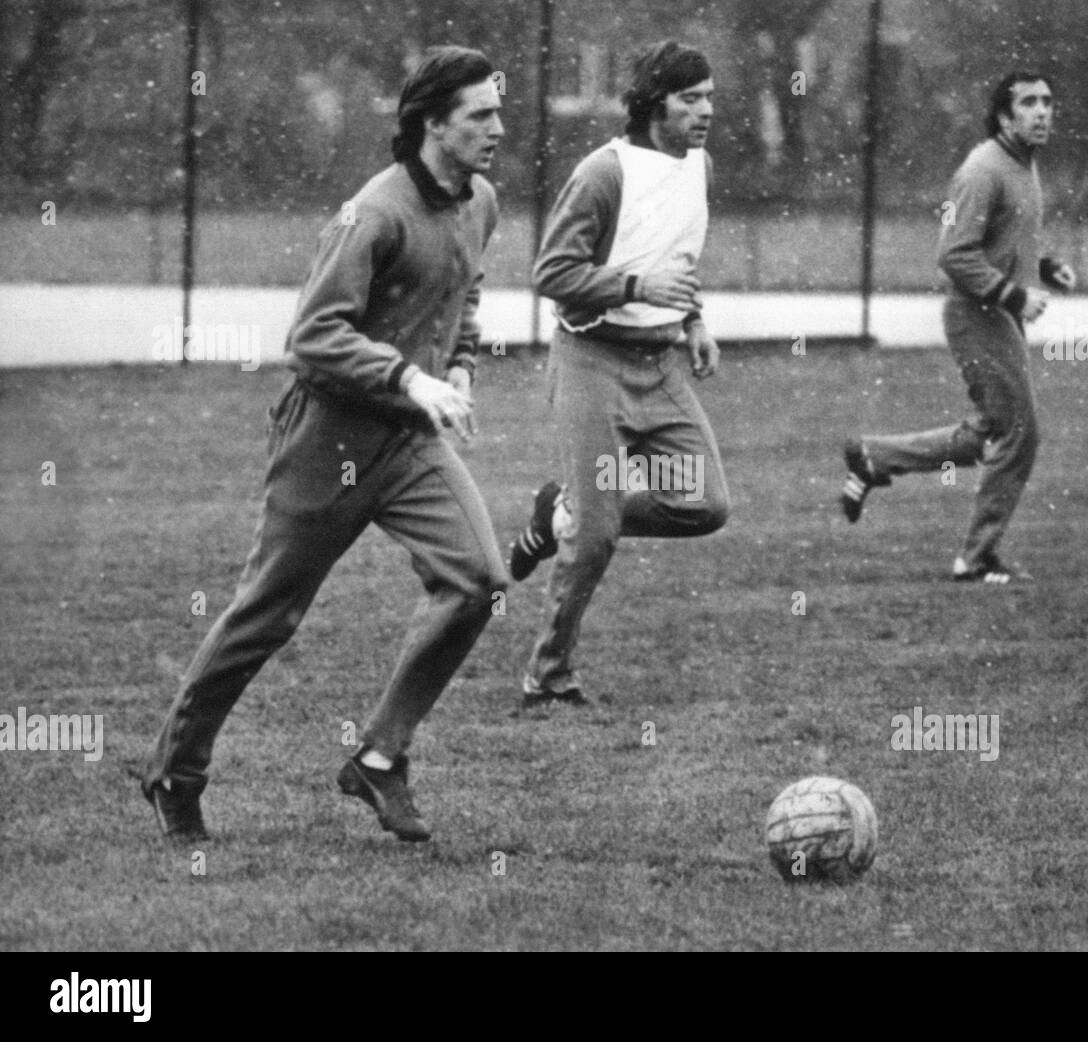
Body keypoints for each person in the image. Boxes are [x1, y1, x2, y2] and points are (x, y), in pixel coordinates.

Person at [139, 46, 509, 843]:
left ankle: (377, 757)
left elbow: (465, 289)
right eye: (480, 114)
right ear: (431, 124)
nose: (497, 128)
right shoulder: (372, 214)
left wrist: (463, 368)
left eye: (498, 111)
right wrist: (409, 379)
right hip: (326, 439)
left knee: (479, 580)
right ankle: (176, 768)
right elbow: (312, 337)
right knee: (266, 615)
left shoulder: (481, 200)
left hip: (410, 444)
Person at [506, 40, 730, 708]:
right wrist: (636, 284)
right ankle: (548, 677)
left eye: (710, 98)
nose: (706, 111)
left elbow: (677, 259)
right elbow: (551, 273)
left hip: (659, 363)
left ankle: (562, 515)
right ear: (653, 103)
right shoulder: (604, 173)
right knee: (598, 536)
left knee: (704, 505)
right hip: (592, 360)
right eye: (691, 99)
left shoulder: (699, 167)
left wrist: (692, 321)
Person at [839, 71, 1075, 584]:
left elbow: (1008, 242)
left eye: (1048, 102)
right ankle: (976, 557)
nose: (1042, 112)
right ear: (1004, 115)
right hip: (977, 316)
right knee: (1020, 432)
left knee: (991, 431)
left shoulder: (1024, 167)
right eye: (1029, 103)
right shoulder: (981, 170)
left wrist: (1048, 266)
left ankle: (873, 457)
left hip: (998, 314)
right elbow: (953, 255)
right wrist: (1013, 294)